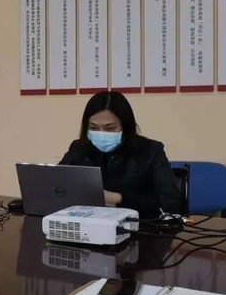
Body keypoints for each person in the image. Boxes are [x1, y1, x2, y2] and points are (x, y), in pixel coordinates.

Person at [59, 90, 182, 220]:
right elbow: (56, 187)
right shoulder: (79, 149)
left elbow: (171, 203)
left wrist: (117, 198)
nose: (101, 133)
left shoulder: (151, 151)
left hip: (140, 227)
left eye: (110, 128)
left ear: (126, 126)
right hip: (87, 224)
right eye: (93, 128)